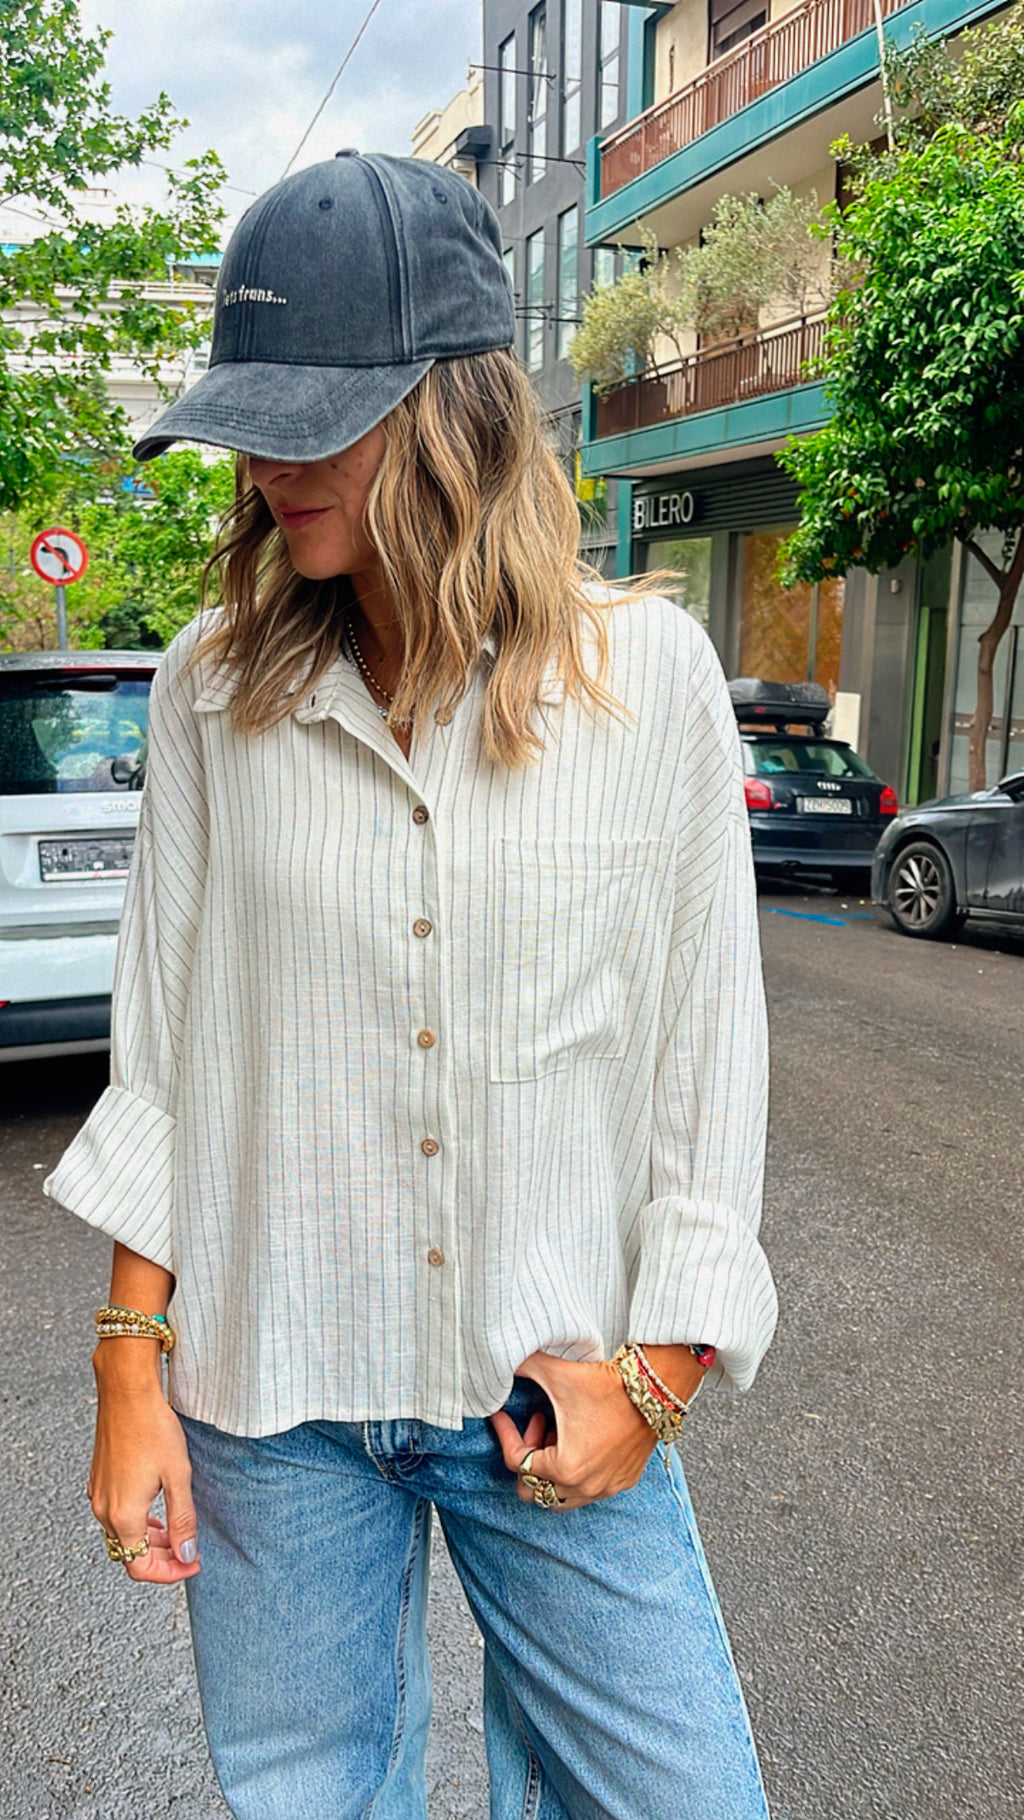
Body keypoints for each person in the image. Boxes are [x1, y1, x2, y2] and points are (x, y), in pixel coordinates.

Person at [45, 152, 778, 1820]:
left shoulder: (646, 683)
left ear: (458, 413)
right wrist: (126, 1376)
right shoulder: (210, 692)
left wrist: (658, 1379)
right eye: (250, 412)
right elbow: (163, 1062)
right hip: (271, 1405)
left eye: (313, 414)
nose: (259, 457)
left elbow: (704, 1071)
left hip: (551, 1390)